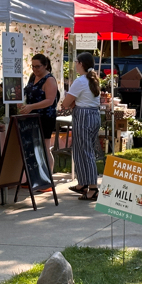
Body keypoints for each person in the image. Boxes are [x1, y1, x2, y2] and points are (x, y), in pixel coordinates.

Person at [60, 52, 101, 200]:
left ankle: (93, 187)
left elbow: (66, 103)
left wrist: (72, 103)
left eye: (76, 62)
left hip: (83, 116)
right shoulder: (93, 80)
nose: (75, 64)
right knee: (81, 150)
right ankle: (83, 183)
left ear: (81, 64)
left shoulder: (80, 81)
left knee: (86, 152)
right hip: (93, 115)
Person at [19, 53, 59, 175]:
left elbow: (50, 100)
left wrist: (31, 106)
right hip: (32, 116)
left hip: (45, 117)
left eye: (38, 66)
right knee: (33, 147)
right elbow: (27, 91)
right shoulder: (33, 77)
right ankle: (36, 176)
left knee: (44, 147)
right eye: (33, 66)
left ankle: (48, 176)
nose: (35, 69)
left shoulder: (49, 79)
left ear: (45, 65)